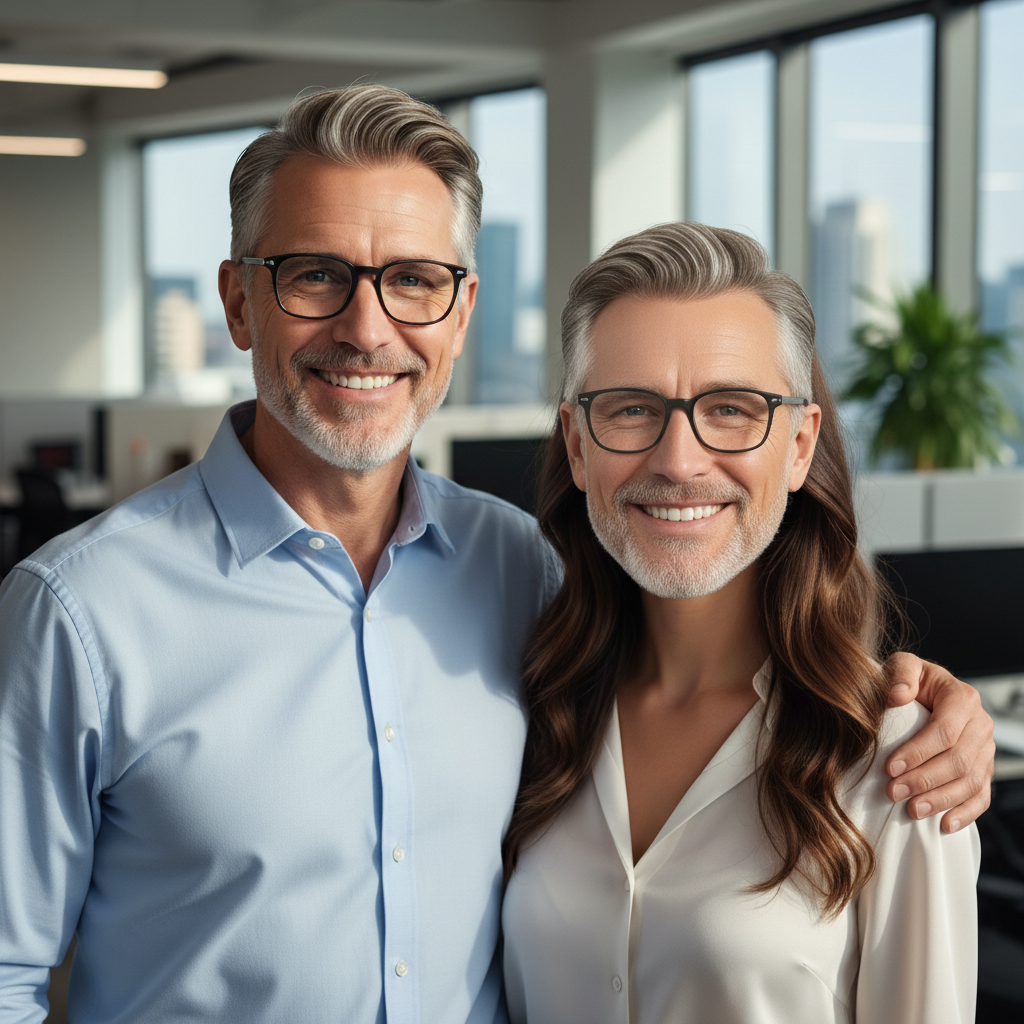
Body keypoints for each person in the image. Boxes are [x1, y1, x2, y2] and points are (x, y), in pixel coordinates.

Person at [0, 87, 990, 1023]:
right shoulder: (79, 613)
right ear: (238, 301)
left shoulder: (521, 576)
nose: (364, 327)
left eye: (414, 281)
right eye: (314, 275)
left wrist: (938, 709)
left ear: (462, 312)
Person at [501, 223, 982, 1024]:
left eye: (730, 409)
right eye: (629, 410)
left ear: (799, 446)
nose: (679, 459)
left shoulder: (898, 756)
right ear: (577, 448)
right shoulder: (531, 711)